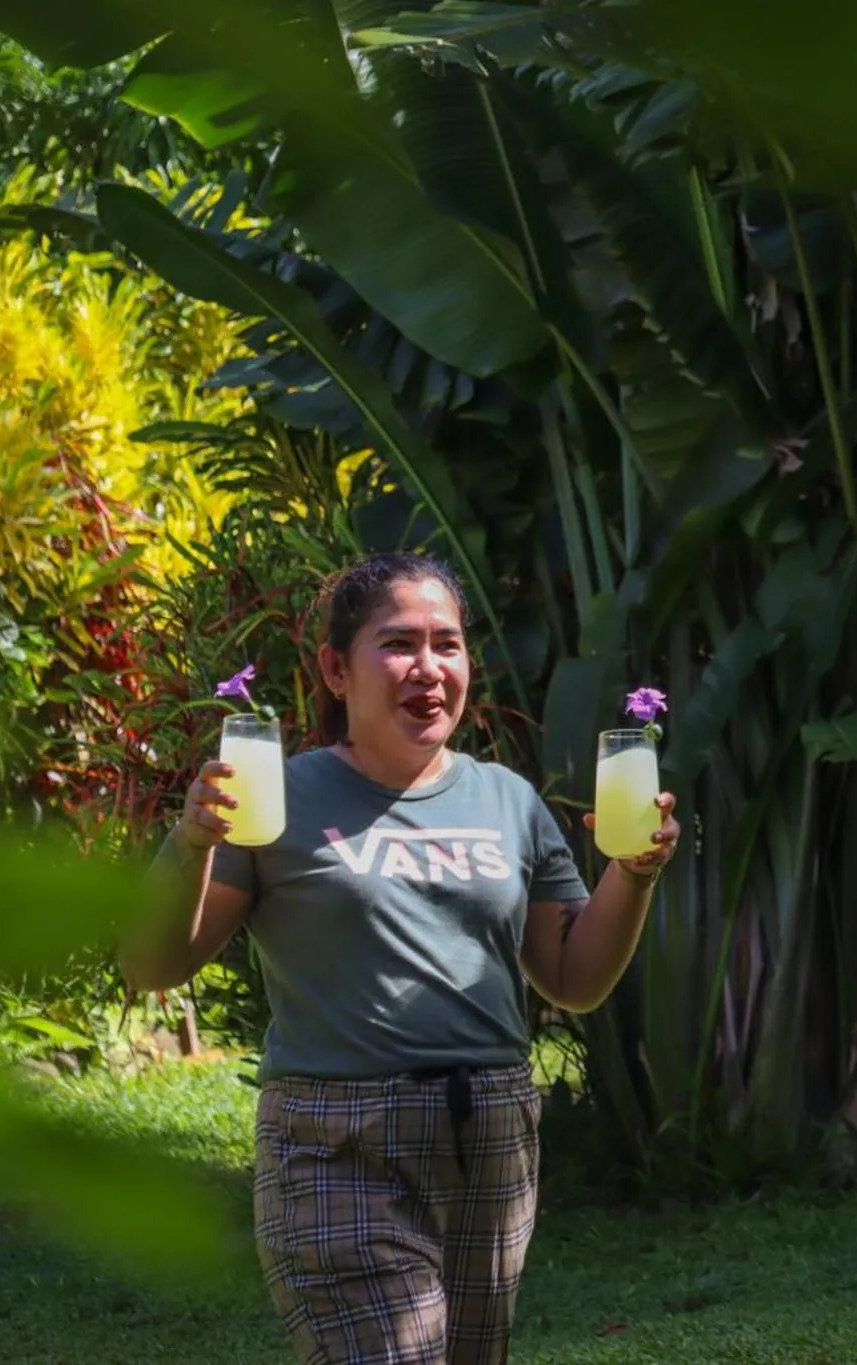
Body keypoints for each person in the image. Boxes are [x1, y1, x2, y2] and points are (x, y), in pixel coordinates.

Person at [120, 552, 679, 1365]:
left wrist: (632, 874)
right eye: (399, 644)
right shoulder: (277, 797)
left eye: (447, 644)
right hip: (336, 1143)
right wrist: (192, 838)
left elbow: (574, 980)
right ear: (335, 670)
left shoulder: (507, 801)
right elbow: (152, 964)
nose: (428, 668)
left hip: (487, 1138)